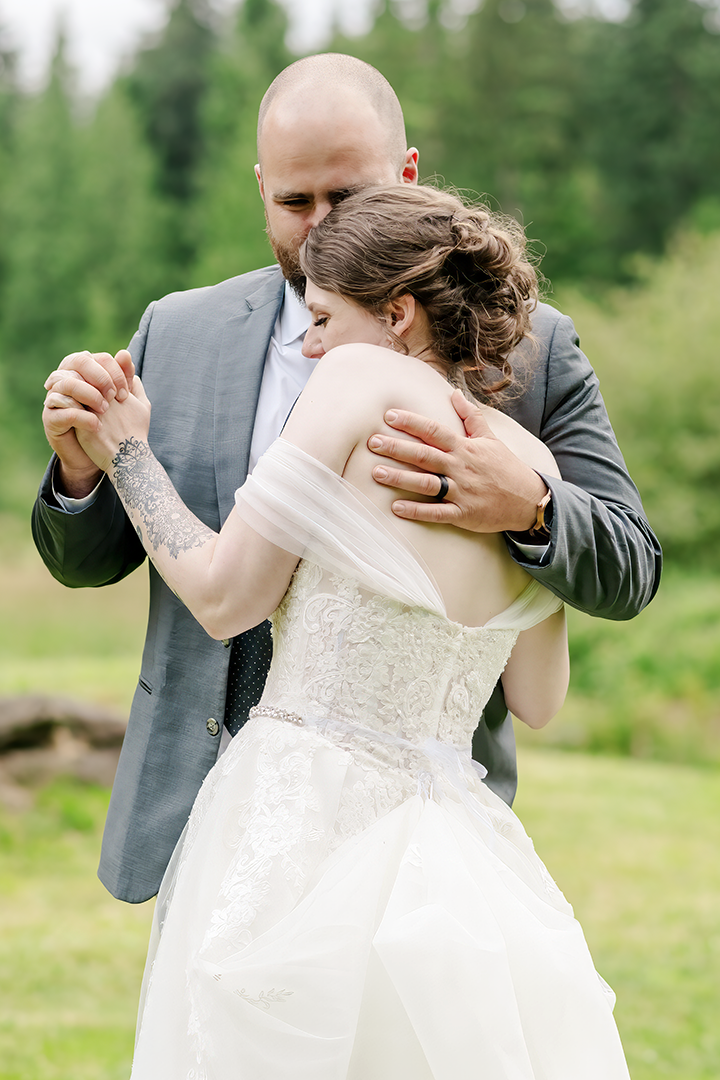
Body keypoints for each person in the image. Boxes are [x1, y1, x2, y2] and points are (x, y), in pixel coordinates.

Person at [33, 53, 661, 907]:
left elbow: (631, 564)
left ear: (406, 176)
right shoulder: (178, 331)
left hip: (409, 841)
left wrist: (534, 511)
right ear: (260, 188)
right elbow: (87, 562)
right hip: (208, 804)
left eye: (348, 197)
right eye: (294, 202)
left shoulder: (536, 351)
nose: (319, 227)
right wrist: (81, 467)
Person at [75, 183, 631, 1078]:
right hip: (452, 849)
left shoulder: (358, 378)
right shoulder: (527, 466)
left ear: (399, 315)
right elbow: (539, 699)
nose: (312, 339)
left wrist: (128, 453)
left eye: (326, 315)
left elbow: (224, 599)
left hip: (301, 818)